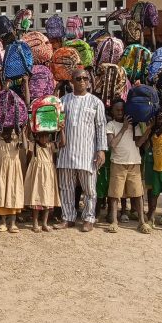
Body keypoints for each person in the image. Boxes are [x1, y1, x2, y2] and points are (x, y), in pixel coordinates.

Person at [56, 69, 107, 232]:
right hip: (66, 152)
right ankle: (68, 217)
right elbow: (56, 125)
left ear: (89, 81)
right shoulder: (63, 101)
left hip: (87, 153)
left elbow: (100, 127)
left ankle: (88, 218)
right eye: (78, 78)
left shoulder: (95, 102)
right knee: (66, 187)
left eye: (85, 78)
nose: (82, 81)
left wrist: (101, 150)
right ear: (72, 81)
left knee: (90, 189)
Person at [104, 101, 150, 233]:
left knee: (138, 193)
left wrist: (149, 129)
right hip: (118, 163)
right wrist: (124, 128)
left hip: (134, 162)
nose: (120, 112)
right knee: (115, 194)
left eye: (122, 109)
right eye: (117, 110)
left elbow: (139, 143)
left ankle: (142, 221)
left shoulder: (133, 125)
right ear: (112, 111)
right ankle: (114, 221)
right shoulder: (110, 125)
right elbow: (112, 144)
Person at [24, 130, 59, 233]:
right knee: (36, 198)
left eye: (46, 136)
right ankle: (35, 223)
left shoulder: (51, 146)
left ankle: (44, 223)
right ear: (37, 136)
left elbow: (63, 143)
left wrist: (62, 130)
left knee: (47, 198)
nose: (44, 139)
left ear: (49, 137)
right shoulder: (33, 145)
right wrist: (25, 129)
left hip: (48, 175)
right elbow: (28, 156)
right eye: (41, 136)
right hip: (37, 176)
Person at [0, 126, 25, 233]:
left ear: (13, 132)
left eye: (9, 132)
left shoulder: (16, 143)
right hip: (2, 173)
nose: (6, 134)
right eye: (4, 131)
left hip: (13, 173)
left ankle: (13, 223)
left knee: (13, 193)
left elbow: (25, 146)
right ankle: (3, 223)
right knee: (2, 193)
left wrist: (22, 132)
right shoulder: (0, 142)